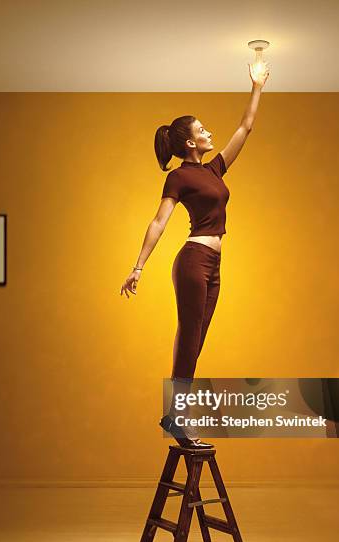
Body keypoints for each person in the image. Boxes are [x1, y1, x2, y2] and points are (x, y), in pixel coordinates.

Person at [121, 61, 269, 448]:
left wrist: (256, 86)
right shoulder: (179, 177)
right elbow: (159, 222)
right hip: (192, 262)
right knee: (189, 337)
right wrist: (138, 267)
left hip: (215, 263)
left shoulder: (216, 170)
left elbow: (245, 128)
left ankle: (176, 415)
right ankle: (176, 419)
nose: (210, 134)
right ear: (189, 142)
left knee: (196, 339)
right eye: (203, 130)